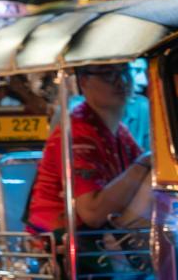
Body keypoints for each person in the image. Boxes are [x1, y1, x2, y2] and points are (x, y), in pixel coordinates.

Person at [25, 62, 151, 233]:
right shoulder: (78, 133)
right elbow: (92, 214)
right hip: (64, 244)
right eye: (108, 74)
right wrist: (143, 163)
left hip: (97, 241)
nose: (121, 81)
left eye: (125, 72)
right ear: (84, 81)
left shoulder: (119, 131)